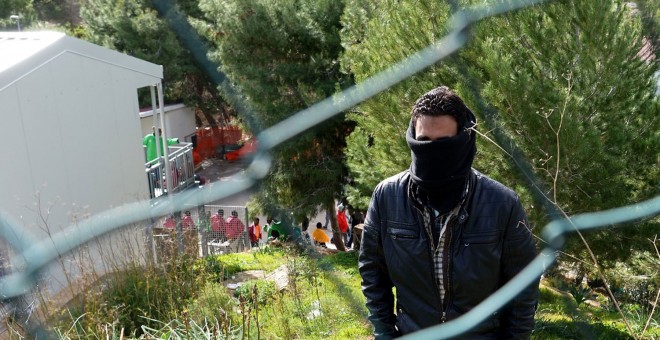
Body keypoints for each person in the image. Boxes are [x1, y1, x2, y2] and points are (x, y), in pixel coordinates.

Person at [358, 86, 539, 338]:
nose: (432, 153)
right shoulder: (387, 197)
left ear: (463, 140)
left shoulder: (502, 203)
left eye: (443, 144)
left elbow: (524, 287)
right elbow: (373, 274)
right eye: (423, 143)